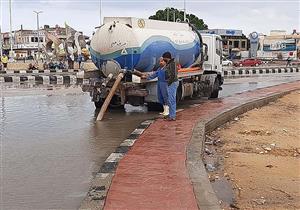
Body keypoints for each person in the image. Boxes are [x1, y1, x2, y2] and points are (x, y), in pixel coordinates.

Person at [162, 51, 179, 121]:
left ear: (167, 58)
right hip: (171, 82)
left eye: (164, 58)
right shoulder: (169, 63)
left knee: (171, 100)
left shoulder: (172, 64)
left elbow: (173, 75)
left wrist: (169, 82)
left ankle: (172, 116)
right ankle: (171, 115)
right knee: (170, 99)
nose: (163, 59)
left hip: (172, 82)